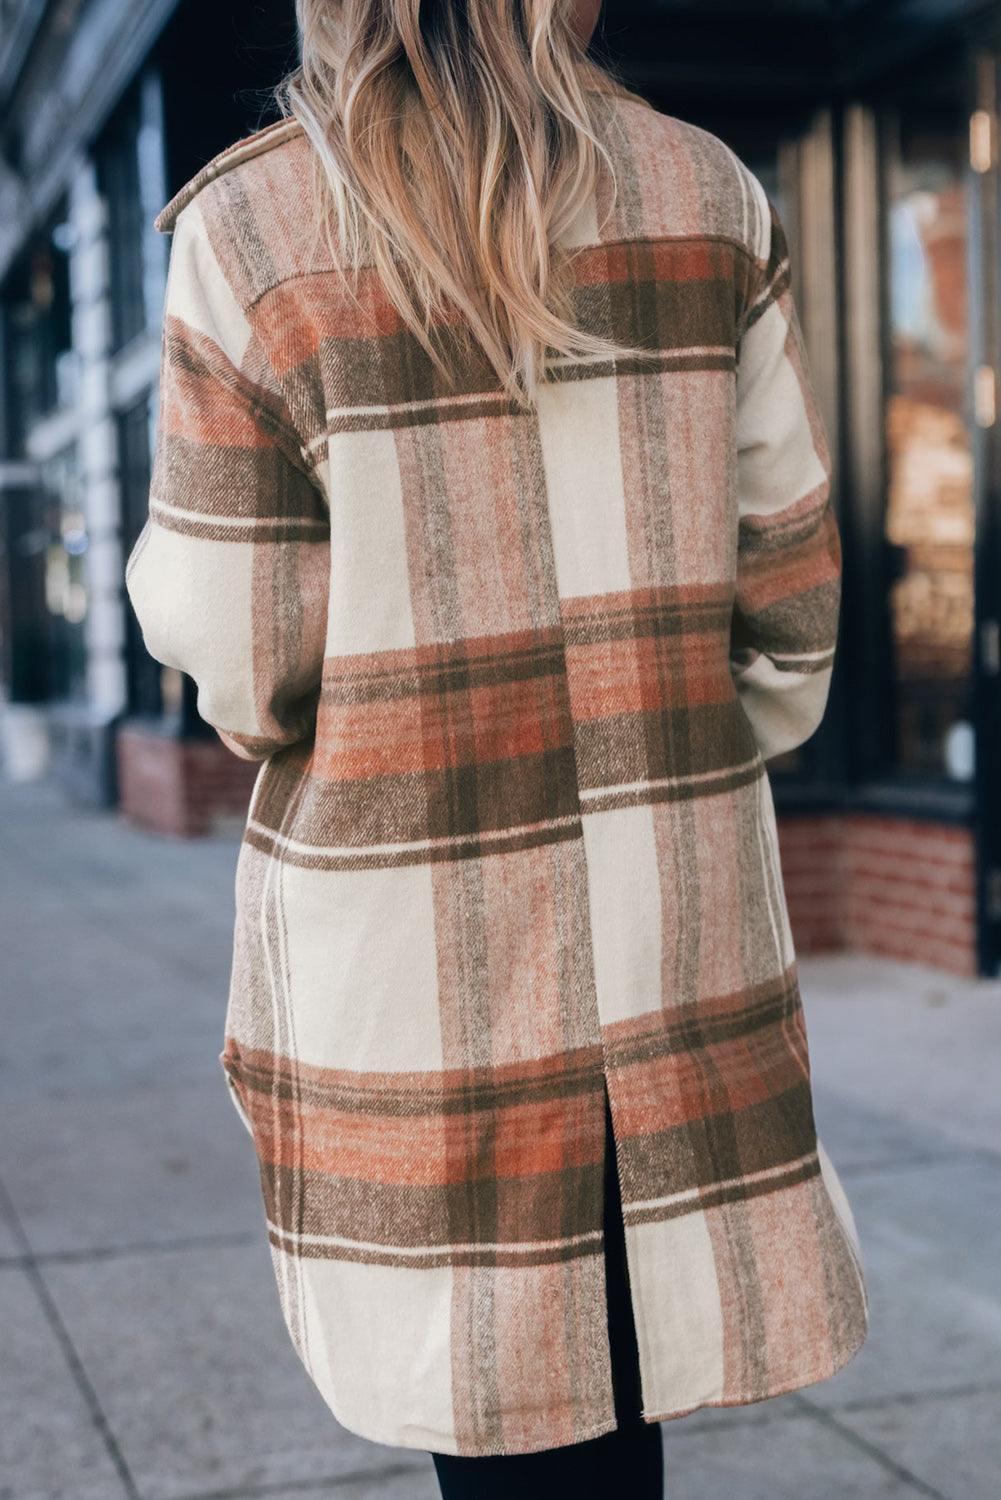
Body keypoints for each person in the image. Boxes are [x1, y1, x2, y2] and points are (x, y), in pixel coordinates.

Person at [125, 1, 870, 1495]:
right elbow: (788, 607)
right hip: (670, 935)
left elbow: (240, 642)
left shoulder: (251, 224)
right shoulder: (706, 195)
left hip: (417, 955)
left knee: (493, 1405)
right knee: (620, 1386)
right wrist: (678, 752)